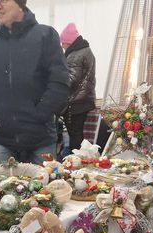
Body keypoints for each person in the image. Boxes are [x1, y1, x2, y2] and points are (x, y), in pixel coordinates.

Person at [0, 0, 69, 164]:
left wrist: (40, 114)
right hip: (5, 141)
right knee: (1, 189)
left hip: (41, 140)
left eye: (2, 1)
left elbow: (59, 82)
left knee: (45, 189)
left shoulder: (45, 36)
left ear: (20, 4)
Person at [59, 22, 95, 152]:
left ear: (68, 41)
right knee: (77, 133)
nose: (62, 46)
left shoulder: (75, 54)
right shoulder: (85, 50)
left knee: (75, 135)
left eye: (62, 42)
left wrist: (55, 80)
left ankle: (75, 163)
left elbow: (71, 79)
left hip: (76, 102)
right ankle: (78, 160)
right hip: (84, 99)